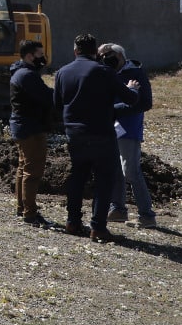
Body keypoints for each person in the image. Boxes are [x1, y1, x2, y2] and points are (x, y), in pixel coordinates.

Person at [53, 33, 139, 242]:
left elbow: (57, 105)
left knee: (77, 178)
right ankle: (98, 227)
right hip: (101, 134)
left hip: (74, 134)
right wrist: (132, 89)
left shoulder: (62, 72)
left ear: (75, 50)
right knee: (104, 181)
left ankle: (72, 222)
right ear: (95, 52)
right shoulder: (104, 72)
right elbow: (130, 99)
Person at [99, 43, 157, 228]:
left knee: (130, 171)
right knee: (115, 168)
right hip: (112, 127)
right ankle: (118, 209)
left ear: (118, 55)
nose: (103, 59)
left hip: (128, 128)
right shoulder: (107, 72)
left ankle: (146, 214)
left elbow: (144, 102)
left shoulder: (135, 73)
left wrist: (112, 110)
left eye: (106, 55)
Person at [8, 39, 52, 226]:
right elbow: (46, 97)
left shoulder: (21, 72)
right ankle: (30, 213)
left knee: (23, 168)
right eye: (40, 55)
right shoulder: (27, 75)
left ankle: (22, 208)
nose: (43, 58)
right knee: (32, 171)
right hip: (30, 128)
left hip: (22, 126)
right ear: (29, 56)